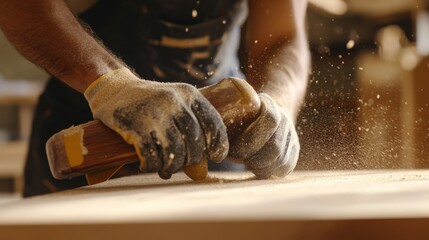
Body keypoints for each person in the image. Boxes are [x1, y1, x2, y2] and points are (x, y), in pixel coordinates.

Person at [0, 0, 310, 197]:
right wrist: (111, 85)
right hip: (89, 143)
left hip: (218, 145)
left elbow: (283, 38)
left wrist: (279, 102)